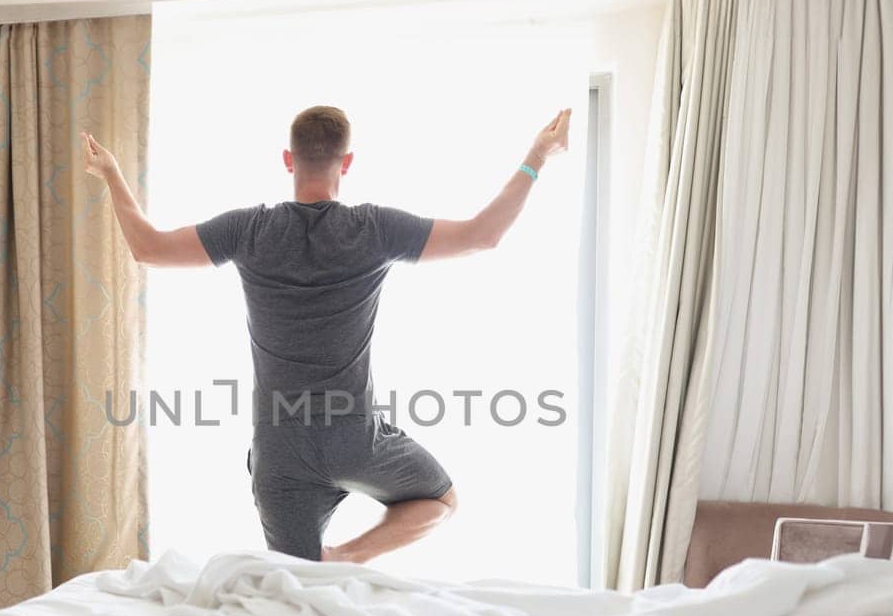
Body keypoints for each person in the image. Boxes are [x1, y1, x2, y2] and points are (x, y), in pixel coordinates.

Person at [82, 105, 570, 563]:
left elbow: (147, 247)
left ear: (288, 160)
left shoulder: (249, 230)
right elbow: (482, 235)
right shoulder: (373, 229)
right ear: (348, 162)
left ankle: (321, 571)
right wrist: (537, 157)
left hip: (280, 450)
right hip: (354, 437)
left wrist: (112, 175)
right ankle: (343, 559)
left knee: (296, 591)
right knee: (440, 499)